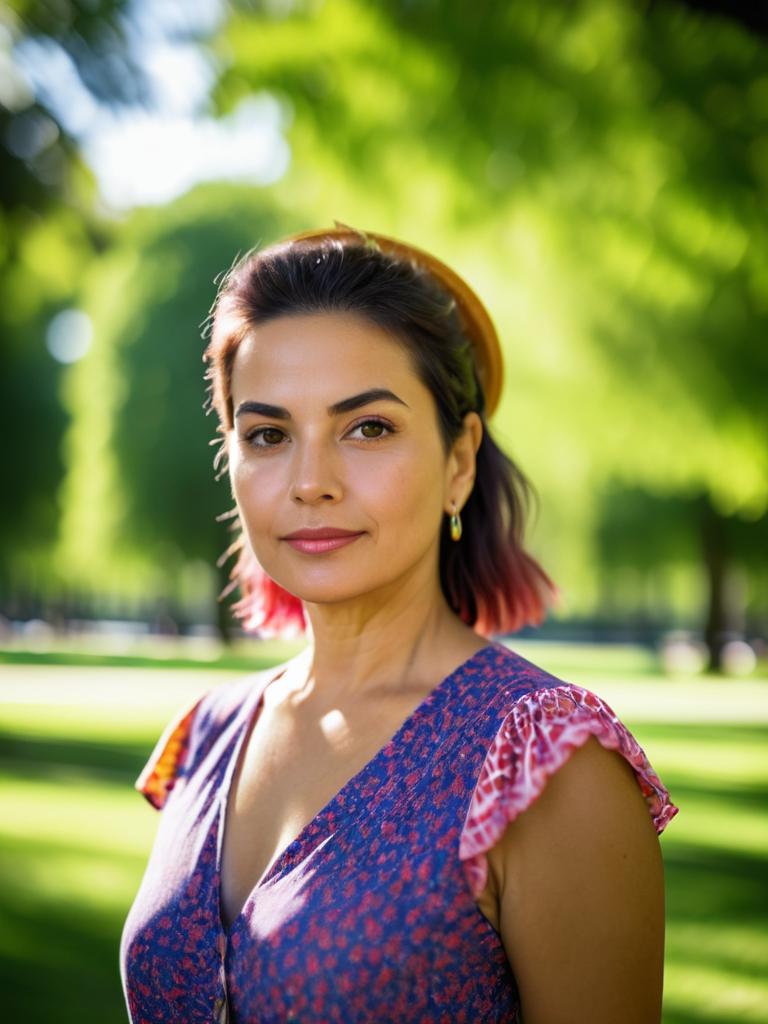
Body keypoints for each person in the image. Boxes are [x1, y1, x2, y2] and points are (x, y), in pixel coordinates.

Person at [120, 224, 678, 1023]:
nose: (311, 481)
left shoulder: (544, 764)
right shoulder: (204, 737)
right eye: (269, 435)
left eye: (368, 428)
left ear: (459, 463)